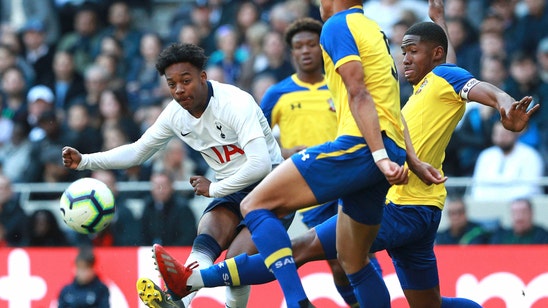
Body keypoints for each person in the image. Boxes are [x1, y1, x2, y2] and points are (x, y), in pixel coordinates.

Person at [148, 1, 537, 307]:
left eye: (412, 52)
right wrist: (437, 18)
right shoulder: (421, 92)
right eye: (402, 52)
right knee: (427, 304)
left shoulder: (441, 77)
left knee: (301, 248)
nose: (404, 59)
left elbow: (472, 83)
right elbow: (445, 65)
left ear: (434, 55)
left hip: (401, 206)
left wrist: (504, 104)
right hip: (419, 208)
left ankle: (193, 280)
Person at [62, 42, 285, 308]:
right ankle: (179, 301)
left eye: (186, 81)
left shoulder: (235, 102)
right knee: (207, 235)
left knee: (235, 264)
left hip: (271, 187)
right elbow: (137, 152)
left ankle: (187, 295)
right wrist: (86, 161)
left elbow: (260, 164)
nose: (179, 90)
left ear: (203, 77)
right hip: (231, 188)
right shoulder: (175, 115)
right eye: (172, 84)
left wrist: (214, 189)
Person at [259, 17, 357, 307]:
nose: (305, 51)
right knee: (338, 261)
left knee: (359, 255)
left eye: (312, 45)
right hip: (310, 189)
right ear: (291, 53)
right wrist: (286, 152)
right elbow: (256, 139)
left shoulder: (341, 86)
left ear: (322, 49)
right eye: (298, 46)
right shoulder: (277, 93)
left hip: (349, 179)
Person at [470, 121, 544, 201]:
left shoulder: (530, 155)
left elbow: (529, 189)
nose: (501, 138)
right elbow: (477, 187)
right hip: (488, 206)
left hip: (519, 207)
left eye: (505, 134)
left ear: (515, 134)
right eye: (497, 134)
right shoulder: (486, 156)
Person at [140, 171, 197, 246]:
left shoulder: (182, 208)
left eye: (163, 186)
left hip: (177, 252)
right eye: (157, 186)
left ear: (171, 187)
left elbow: (188, 236)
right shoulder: (148, 206)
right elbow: (142, 233)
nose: (160, 190)